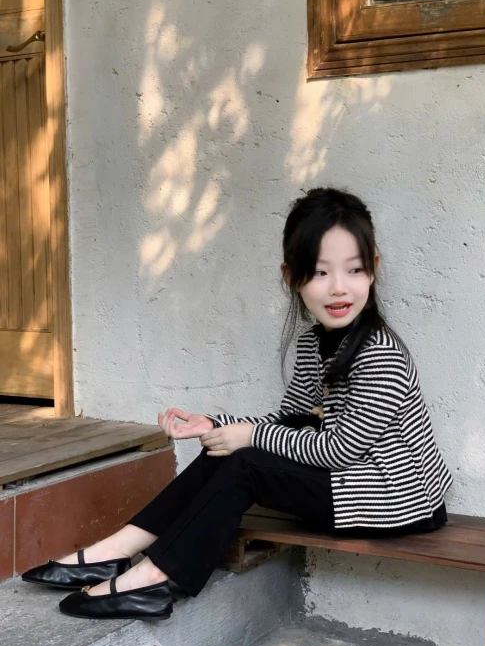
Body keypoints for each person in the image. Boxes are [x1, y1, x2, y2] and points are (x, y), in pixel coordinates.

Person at [22, 187, 453, 620]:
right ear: (292, 276)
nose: (339, 287)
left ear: (373, 269)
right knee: (227, 451)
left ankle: (153, 578)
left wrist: (249, 436)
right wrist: (215, 424)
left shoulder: (379, 353)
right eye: (320, 272)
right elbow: (290, 420)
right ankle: (114, 551)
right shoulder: (313, 343)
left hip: (395, 499)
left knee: (245, 461)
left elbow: (340, 450)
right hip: (350, 486)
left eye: (355, 269)